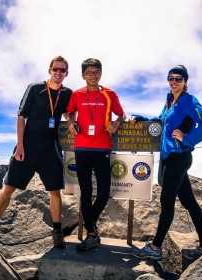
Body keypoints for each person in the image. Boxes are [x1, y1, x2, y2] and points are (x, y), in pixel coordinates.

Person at [0, 56, 72, 248]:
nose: (58, 73)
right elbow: (21, 117)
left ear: (66, 73)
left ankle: (58, 234)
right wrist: (20, 146)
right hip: (27, 144)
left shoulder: (67, 93)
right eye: (56, 69)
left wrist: (70, 118)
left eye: (62, 70)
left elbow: (69, 111)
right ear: (49, 70)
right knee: (9, 187)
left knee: (55, 191)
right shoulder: (35, 89)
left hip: (50, 146)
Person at [130, 65, 202, 261]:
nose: (174, 82)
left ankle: (155, 248)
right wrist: (141, 118)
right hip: (170, 156)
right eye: (171, 78)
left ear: (185, 82)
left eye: (178, 79)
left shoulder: (188, 100)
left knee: (166, 202)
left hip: (179, 156)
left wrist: (188, 139)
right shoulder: (170, 100)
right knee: (188, 202)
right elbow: (161, 120)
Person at [67, 58, 126, 251]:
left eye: (96, 72)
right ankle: (91, 234)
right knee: (85, 193)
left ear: (101, 73)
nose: (93, 76)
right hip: (82, 148)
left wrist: (116, 124)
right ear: (83, 75)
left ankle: (90, 224)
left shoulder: (110, 94)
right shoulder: (76, 94)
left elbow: (121, 114)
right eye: (89, 72)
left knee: (103, 193)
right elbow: (69, 113)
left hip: (102, 148)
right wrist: (71, 122)